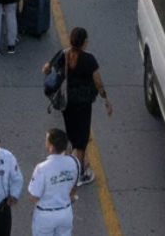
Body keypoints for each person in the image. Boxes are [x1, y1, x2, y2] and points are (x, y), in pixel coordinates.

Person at [42, 27, 113, 184]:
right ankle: (78, 175)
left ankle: (77, 166)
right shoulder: (89, 59)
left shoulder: (64, 54)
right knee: (81, 141)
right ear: (85, 42)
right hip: (83, 104)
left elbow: (46, 68)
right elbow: (98, 82)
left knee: (73, 136)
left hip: (67, 103)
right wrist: (105, 100)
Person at [27, 129, 79, 236]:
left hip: (45, 217)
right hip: (66, 213)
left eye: (46, 140)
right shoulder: (75, 162)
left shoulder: (42, 168)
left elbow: (34, 196)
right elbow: (74, 187)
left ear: (51, 147)